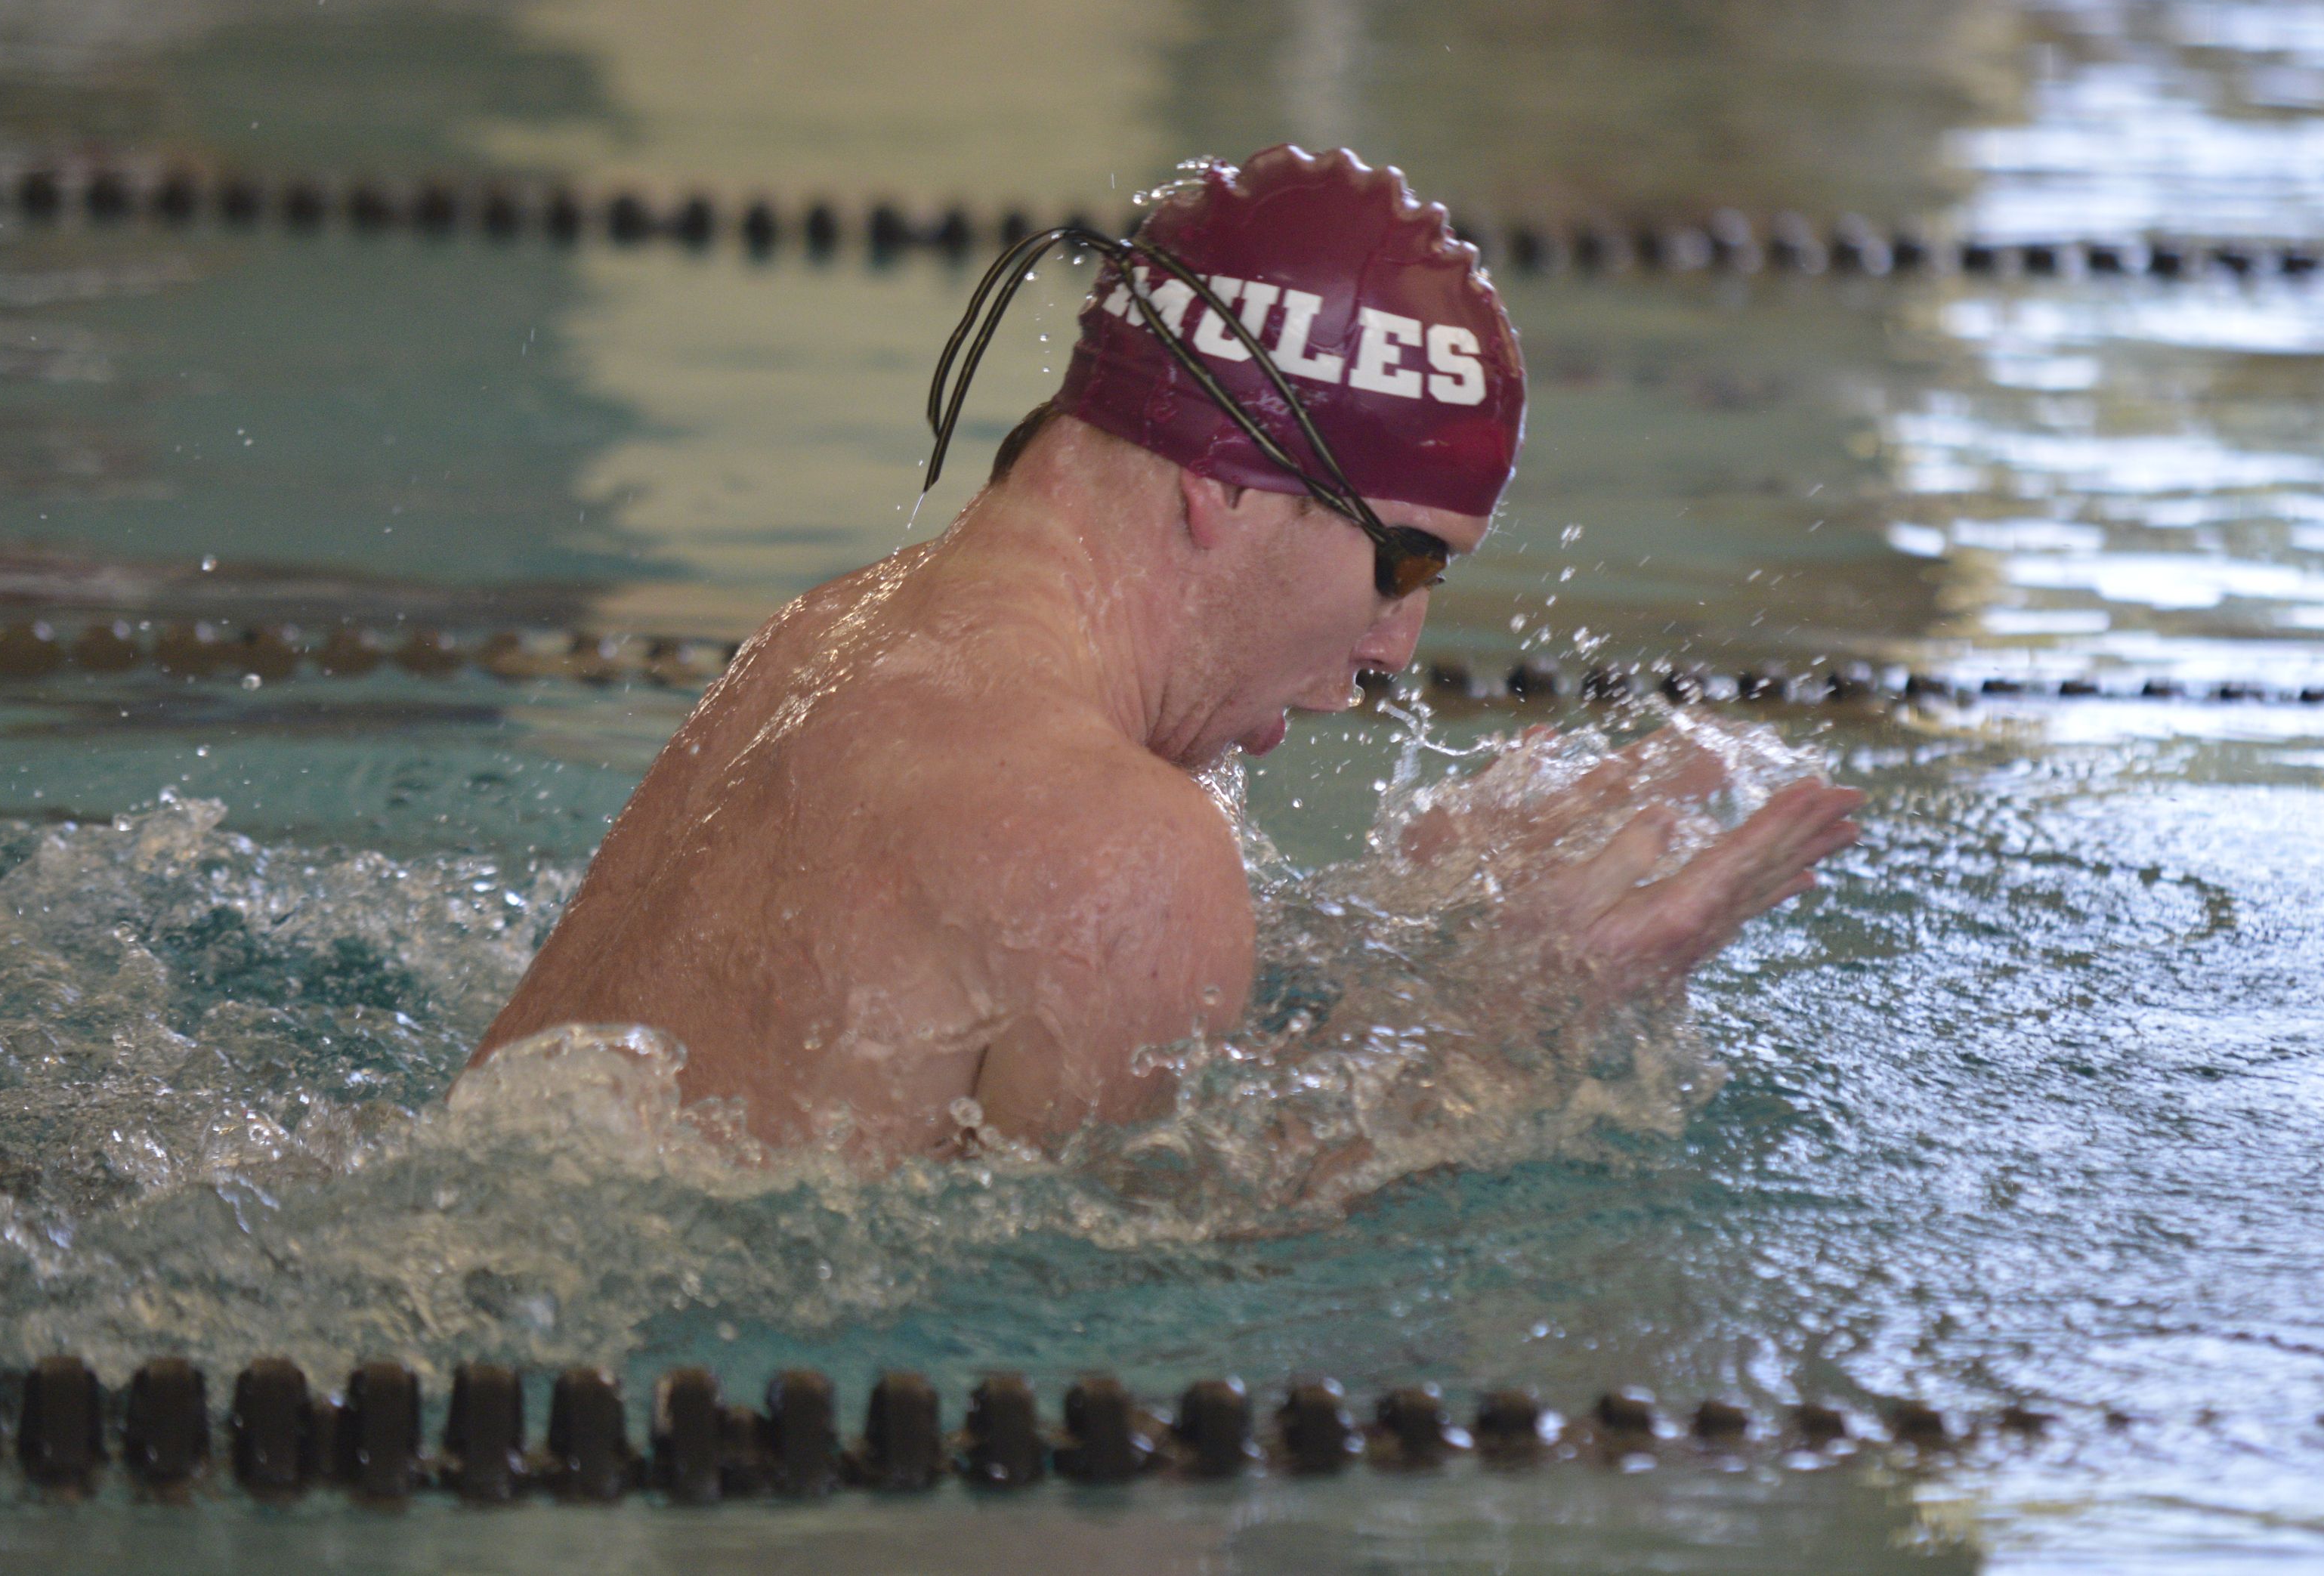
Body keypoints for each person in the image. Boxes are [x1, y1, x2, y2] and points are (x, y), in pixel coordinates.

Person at [468, 145, 1862, 1161]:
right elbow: (1148, 1295)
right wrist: (1499, 1035)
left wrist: (1395, 964)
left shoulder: (838, 634)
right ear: (1227, 484)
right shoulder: (1119, 845)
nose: (1396, 646)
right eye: (1406, 562)